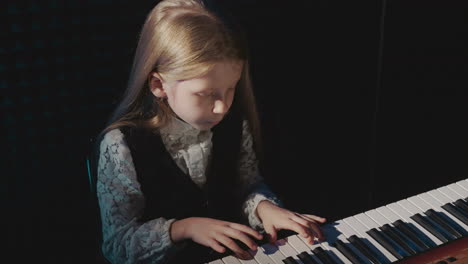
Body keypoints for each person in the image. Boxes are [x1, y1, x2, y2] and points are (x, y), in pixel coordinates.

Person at [94, 0, 327, 263]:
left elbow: (247, 186)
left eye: (231, 89)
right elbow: (118, 246)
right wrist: (183, 228)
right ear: (159, 84)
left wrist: (265, 208)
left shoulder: (232, 122)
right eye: (205, 93)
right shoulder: (121, 145)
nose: (223, 106)